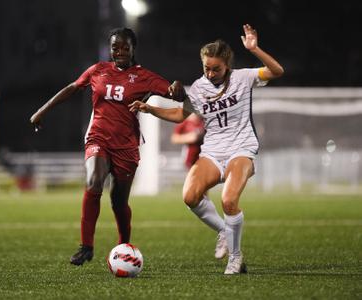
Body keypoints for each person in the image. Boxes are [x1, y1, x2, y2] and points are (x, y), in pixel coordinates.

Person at [129, 24, 284, 274]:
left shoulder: (244, 78)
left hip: (241, 148)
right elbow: (181, 114)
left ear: (227, 65)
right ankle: (224, 231)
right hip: (212, 151)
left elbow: (277, 71)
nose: (210, 73)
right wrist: (150, 109)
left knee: (229, 200)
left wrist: (255, 49)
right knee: (189, 196)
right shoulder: (198, 88)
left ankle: (235, 257)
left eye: (216, 69)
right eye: (206, 68)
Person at [30, 27, 184, 266]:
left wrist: (177, 88)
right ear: (110, 48)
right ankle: (86, 246)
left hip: (126, 145)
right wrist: (42, 111)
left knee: (118, 202)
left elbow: (175, 95)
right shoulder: (98, 70)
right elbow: (72, 87)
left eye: (125, 47)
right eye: (115, 47)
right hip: (98, 137)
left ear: (133, 49)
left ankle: (125, 247)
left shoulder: (145, 76)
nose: (120, 51)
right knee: (93, 181)